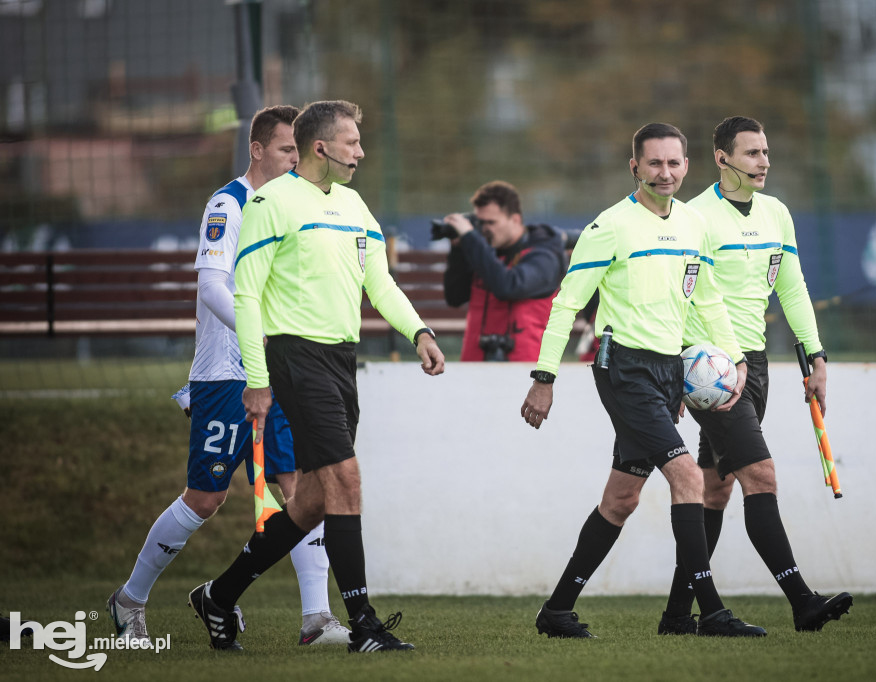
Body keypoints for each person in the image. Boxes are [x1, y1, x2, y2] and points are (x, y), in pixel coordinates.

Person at [187, 99, 445, 653]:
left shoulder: (354, 205)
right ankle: (364, 625)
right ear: (322, 147)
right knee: (346, 481)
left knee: (309, 502)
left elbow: (381, 285)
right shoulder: (270, 202)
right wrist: (257, 380)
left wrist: (419, 332)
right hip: (293, 359)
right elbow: (248, 294)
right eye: (352, 142)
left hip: (339, 360)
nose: (361, 151)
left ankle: (220, 595)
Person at [108, 105, 349, 647]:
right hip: (226, 377)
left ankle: (317, 619)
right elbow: (213, 286)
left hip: (283, 374)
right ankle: (129, 601)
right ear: (258, 149)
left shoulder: (297, 204)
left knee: (301, 490)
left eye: (300, 150)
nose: (296, 160)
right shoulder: (228, 204)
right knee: (204, 499)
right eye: (287, 149)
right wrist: (258, 331)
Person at [520, 122, 766, 639]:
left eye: (674, 163)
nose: (665, 172)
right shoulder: (609, 226)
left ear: (687, 166)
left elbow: (707, 299)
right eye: (654, 163)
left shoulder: (694, 225)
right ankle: (706, 612)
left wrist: (735, 358)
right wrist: (544, 377)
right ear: (635, 167)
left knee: (622, 499)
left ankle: (557, 611)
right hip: (622, 370)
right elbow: (566, 303)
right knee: (689, 477)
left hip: (666, 371)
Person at [662, 115, 853, 633]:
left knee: (714, 489)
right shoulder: (694, 215)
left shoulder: (777, 214)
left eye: (766, 152)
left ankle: (678, 614)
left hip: (757, 365)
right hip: (712, 369)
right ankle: (802, 601)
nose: (764, 161)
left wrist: (816, 357)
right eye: (751, 153)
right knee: (760, 475)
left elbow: (791, 288)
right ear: (722, 158)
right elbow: (685, 297)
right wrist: (680, 371)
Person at [441, 180, 567, 361]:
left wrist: (470, 238)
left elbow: (508, 286)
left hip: (525, 373)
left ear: (515, 219)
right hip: (475, 367)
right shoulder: (485, 253)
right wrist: (459, 250)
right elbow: (454, 297)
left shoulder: (544, 255)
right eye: (480, 223)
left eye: (491, 222)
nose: (484, 230)